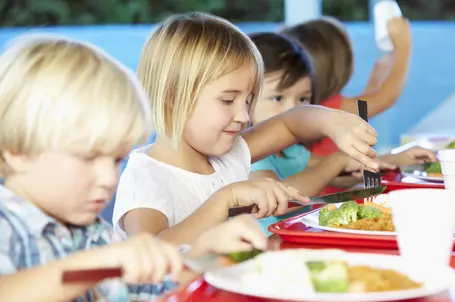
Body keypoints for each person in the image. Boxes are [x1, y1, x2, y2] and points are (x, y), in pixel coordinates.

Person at [0, 33, 266, 302]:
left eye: (116, 160)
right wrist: (93, 266)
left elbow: (146, 291)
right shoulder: (7, 227)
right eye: (88, 158)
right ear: (17, 151)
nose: (108, 178)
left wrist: (201, 256)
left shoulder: (92, 234)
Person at [112, 12, 380, 245]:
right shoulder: (146, 178)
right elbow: (150, 251)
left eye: (249, 100)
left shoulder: (228, 156)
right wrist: (225, 199)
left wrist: (332, 122)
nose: (243, 115)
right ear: (173, 97)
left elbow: (290, 124)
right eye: (228, 100)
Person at [247, 32, 435, 232]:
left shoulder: (290, 150)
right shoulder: (250, 154)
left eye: (302, 99)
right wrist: (337, 160)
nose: (293, 109)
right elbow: (281, 200)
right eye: (278, 98)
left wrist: (394, 160)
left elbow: (334, 174)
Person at [280, 16, 411, 157]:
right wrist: (403, 48)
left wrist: (374, 83)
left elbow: (362, 111)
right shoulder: (329, 109)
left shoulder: (308, 107)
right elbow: (387, 97)